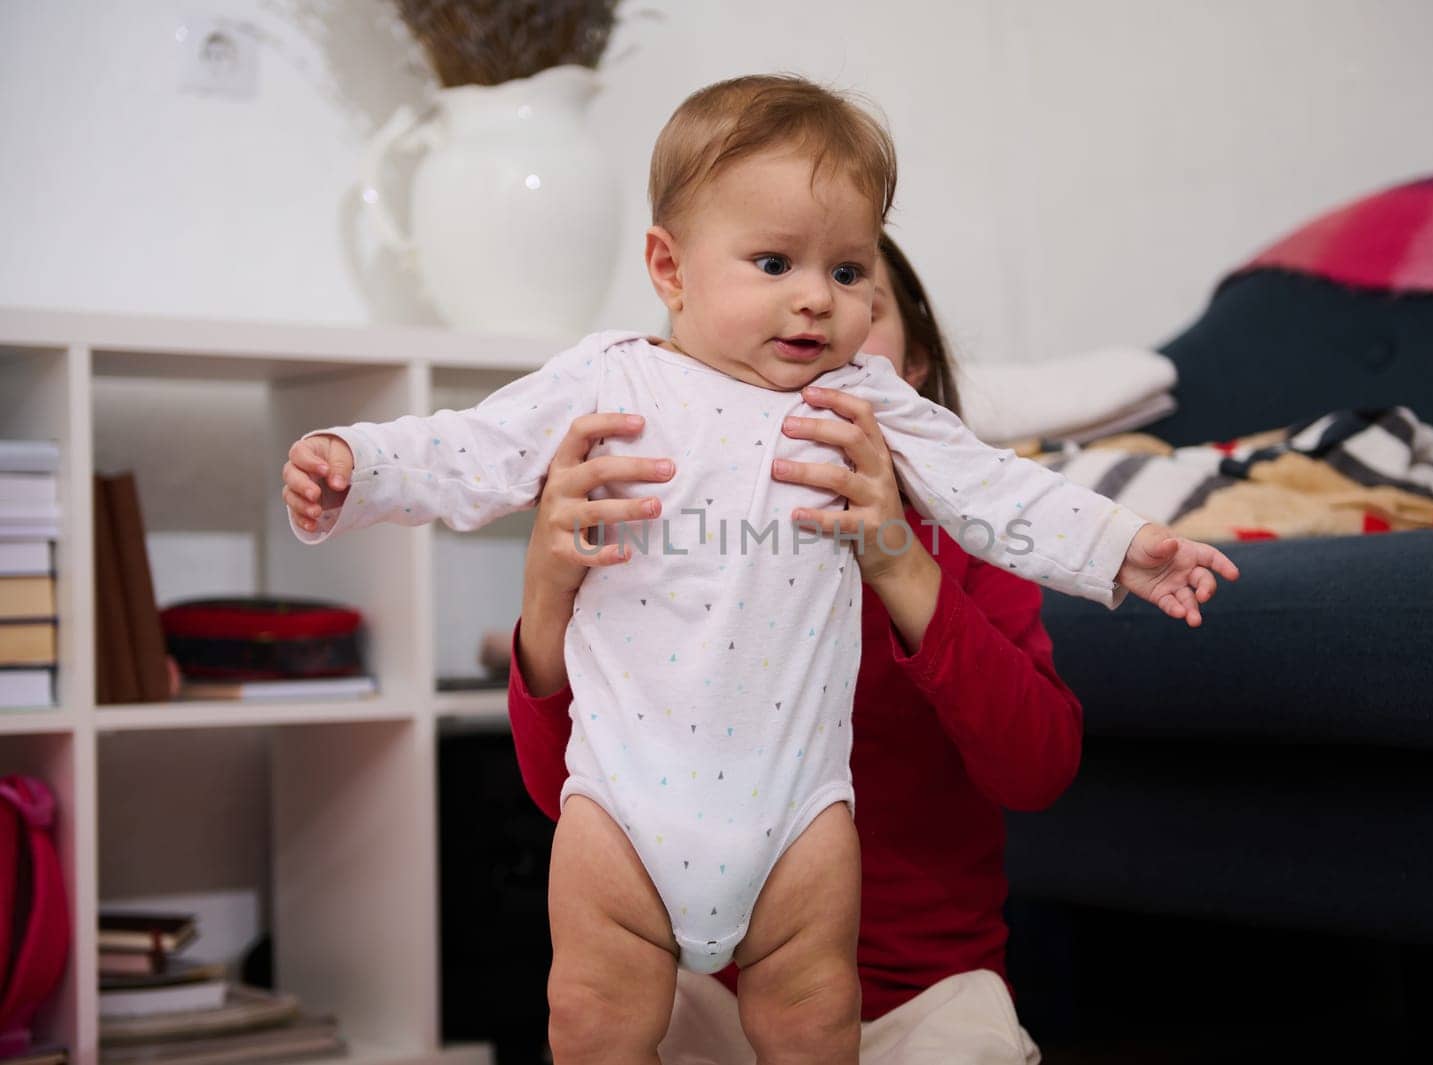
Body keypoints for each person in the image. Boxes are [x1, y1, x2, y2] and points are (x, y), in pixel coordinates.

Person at [280, 75, 1238, 1064]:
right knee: (590, 1015)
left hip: (802, 812)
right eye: (776, 263)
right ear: (669, 268)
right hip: (627, 798)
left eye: (850, 273)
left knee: (810, 1012)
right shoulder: (611, 380)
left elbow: (1001, 489)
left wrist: (1126, 548)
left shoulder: (867, 408)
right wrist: (358, 464)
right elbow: (475, 446)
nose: (816, 301)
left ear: (912, 362)